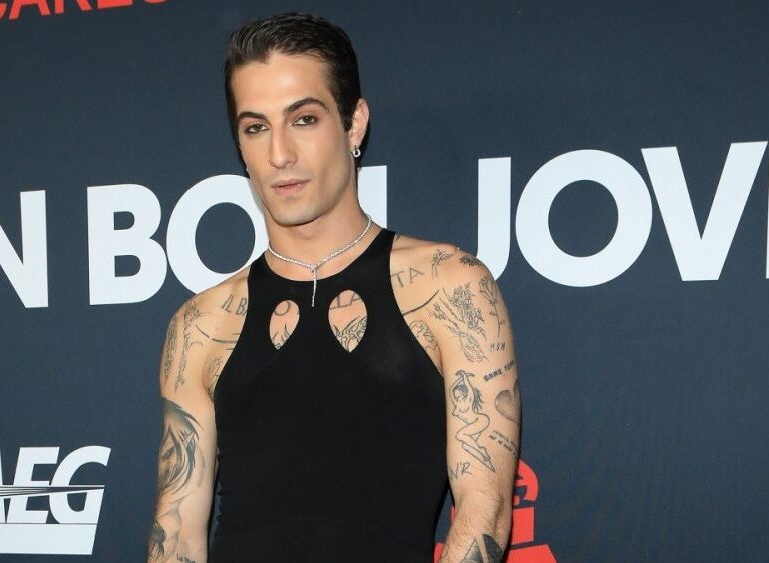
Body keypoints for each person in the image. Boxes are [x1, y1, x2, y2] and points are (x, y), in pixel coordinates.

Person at [148, 12, 520, 563]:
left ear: (354, 124)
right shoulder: (200, 325)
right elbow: (176, 532)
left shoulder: (450, 286)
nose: (280, 154)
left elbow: (485, 508)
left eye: (303, 119)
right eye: (255, 128)